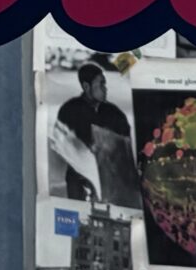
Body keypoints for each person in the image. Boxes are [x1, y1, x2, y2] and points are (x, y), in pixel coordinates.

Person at [54, 61, 139, 205]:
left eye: (105, 84)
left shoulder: (115, 114)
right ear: (86, 87)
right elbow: (61, 144)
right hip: (79, 179)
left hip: (111, 180)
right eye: (101, 84)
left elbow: (125, 150)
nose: (105, 88)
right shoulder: (69, 110)